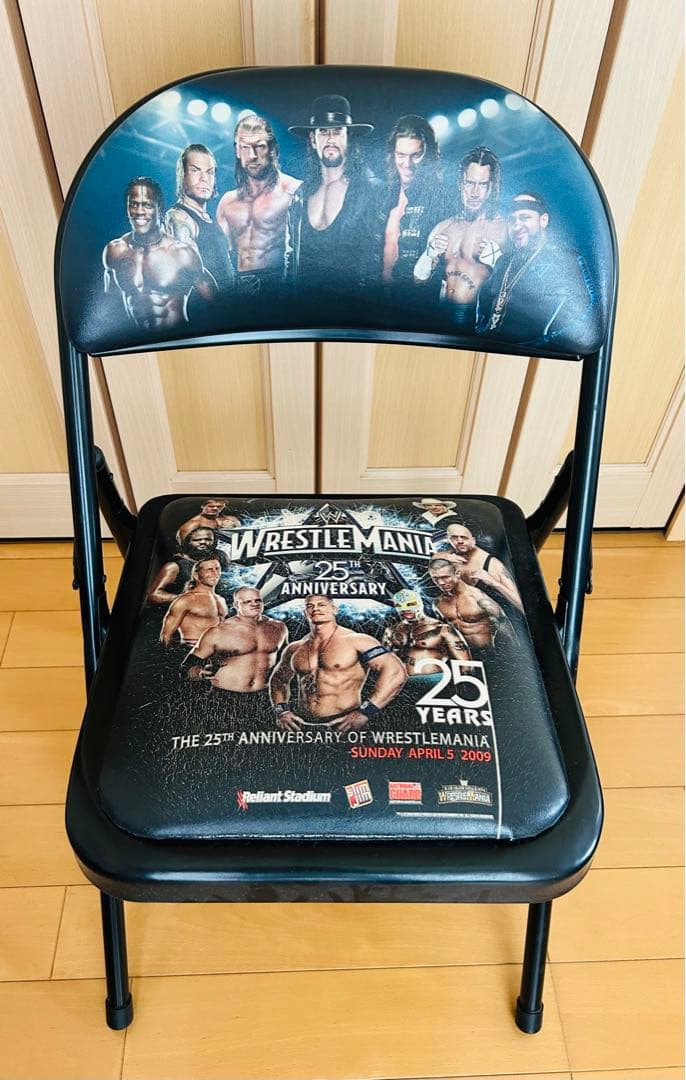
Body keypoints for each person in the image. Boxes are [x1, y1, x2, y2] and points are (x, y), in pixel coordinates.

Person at [269, 593, 406, 732]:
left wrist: (365, 712)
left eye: (321, 605)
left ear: (334, 609)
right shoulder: (295, 648)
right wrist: (282, 711)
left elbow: (395, 672)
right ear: (305, 612)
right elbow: (279, 679)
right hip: (302, 724)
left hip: (345, 724)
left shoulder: (357, 640)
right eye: (310, 606)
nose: (315, 609)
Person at [286, 95, 381, 295]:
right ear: (313, 140)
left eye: (337, 131)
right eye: (323, 131)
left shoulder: (370, 190)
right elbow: (292, 257)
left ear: (348, 138)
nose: (330, 139)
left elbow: (378, 260)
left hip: (355, 307)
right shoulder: (301, 195)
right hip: (305, 306)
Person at [477, 192, 593, 348]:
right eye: (511, 220)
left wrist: (540, 345)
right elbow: (485, 299)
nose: (516, 226)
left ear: (543, 220)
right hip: (490, 347)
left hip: (529, 352)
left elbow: (582, 314)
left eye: (525, 218)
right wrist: (480, 331)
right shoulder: (503, 261)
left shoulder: (565, 260)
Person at [103, 177, 217, 330]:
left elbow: (218, 304)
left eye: (147, 205)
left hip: (176, 340)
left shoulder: (181, 254)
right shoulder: (115, 251)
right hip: (137, 341)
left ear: (160, 209)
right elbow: (109, 304)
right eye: (134, 205)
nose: (139, 212)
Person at [414, 147, 506, 331]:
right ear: (460, 183)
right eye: (470, 183)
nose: (474, 192)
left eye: (482, 185)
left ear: (491, 187)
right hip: (438, 316)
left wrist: (499, 261)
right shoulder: (444, 227)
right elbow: (419, 280)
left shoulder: (503, 229)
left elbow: (519, 285)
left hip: (474, 321)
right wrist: (428, 255)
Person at [216, 115, 301, 295]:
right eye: (245, 147)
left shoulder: (294, 191)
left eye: (259, 146)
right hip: (240, 293)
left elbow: (310, 254)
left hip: (281, 291)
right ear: (237, 151)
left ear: (273, 149)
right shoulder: (228, 202)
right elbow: (220, 259)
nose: (252, 156)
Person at [376, 115, 450, 297]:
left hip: (415, 301)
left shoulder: (441, 200)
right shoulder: (382, 198)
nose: (407, 164)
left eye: (416, 155)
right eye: (401, 155)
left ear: (429, 155)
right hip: (373, 299)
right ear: (392, 154)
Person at [186, 586, 288, 693]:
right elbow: (187, 666)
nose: (254, 604)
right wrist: (199, 672)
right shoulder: (219, 631)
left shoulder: (279, 627)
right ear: (236, 605)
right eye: (247, 601)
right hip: (226, 695)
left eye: (258, 600)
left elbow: (287, 659)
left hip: (266, 694)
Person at [166, 144, 234, 291]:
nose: (204, 178)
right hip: (212, 304)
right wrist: (227, 302)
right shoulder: (179, 217)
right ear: (182, 175)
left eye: (210, 172)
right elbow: (196, 275)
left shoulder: (207, 218)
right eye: (195, 170)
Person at [428, 556, 517, 660]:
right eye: (435, 578)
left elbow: (503, 624)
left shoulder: (478, 597)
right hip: (464, 658)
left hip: (490, 656)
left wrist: (515, 655)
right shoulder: (438, 604)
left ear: (457, 573)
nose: (441, 583)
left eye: (445, 577)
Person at [383, 589, 471, 675]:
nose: (405, 609)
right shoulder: (391, 630)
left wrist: (464, 681)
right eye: (399, 605)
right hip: (400, 680)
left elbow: (465, 662)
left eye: (410, 604)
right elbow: (384, 661)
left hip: (434, 679)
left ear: (420, 604)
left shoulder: (442, 628)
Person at [444, 523, 523, 611]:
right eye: (454, 538)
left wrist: (493, 582)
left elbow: (521, 605)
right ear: (448, 540)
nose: (460, 541)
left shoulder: (493, 564)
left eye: (464, 537)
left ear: (473, 540)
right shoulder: (449, 558)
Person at [147, 527, 228, 605]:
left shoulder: (220, 557)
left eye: (208, 539)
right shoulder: (174, 566)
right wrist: (189, 599)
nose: (203, 542)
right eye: (197, 540)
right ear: (187, 542)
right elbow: (153, 595)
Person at [160, 559, 228, 647]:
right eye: (209, 569)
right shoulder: (186, 600)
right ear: (196, 575)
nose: (215, 573)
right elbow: (166, 635)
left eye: (217, 569)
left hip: (218, 650)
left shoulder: (221, 600)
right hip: (192, 649)